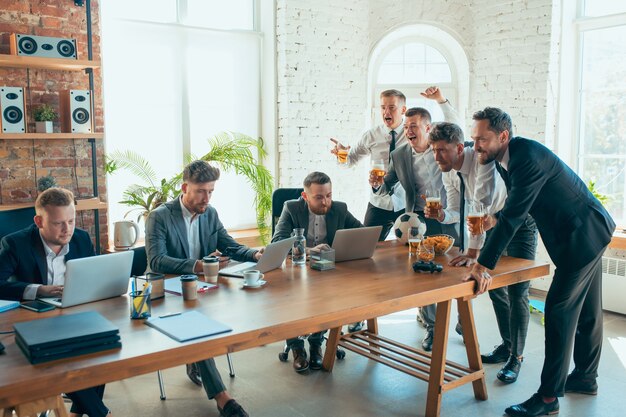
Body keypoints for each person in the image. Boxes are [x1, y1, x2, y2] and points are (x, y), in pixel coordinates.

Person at [463, 107, 615, 417]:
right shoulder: (510, 157)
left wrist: (483, 265)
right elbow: (522, 204)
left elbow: (515, 218)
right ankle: (585, 378)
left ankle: (548, 399)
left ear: (503, 136)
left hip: (582, 236)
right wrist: (495, 218)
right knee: (586, 312)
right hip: (586, 232)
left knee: (559, 311)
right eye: (473, 138)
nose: (476, 145)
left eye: (482, 139)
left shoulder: (525, 158)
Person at [425, 122, 538, 384]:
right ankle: (507, 346)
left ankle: (516, 358)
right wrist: (442, 214)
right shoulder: (448, 171)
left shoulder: (481, 161)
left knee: (518, 290)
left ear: (458, 147)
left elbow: (480, 206)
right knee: (494, 288)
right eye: (433, 150)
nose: (436, 156)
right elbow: (458, 211)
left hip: (518, 223)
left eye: (442, 150)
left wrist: (474, 252)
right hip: (491, 225)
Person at [145, 160, 260, 417]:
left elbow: (228, 244)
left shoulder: (211, 213)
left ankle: (194, 357)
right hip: (164, 292)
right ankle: (223, 398)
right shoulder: (160, 216)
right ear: (185, 187)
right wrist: (197, 265)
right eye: (201, 191)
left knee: (235, 305)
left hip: (200, 290)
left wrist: (255, 254)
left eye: (211, 191)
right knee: (197, 328)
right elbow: (156, 260)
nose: (206, 198)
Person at [0, 187, 112, 417]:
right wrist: (39, 290)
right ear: (39, 221)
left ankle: (79, 412)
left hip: (75, 316)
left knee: (103, 346)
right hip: (34, 322)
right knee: (62, 356)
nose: (67, 229)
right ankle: (101, 414)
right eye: (59, 223)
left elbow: (91, 276)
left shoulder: (80, 239)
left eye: (71, 221)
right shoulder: (15, 244)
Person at [370, 89, 461, 351]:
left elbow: (456, 125)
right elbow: (386, 184)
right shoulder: (399, 155)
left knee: (457, 270)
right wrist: (377, 186)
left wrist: (442, 99)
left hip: (450, 216)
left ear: (428, 128)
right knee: (424, 273)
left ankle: (463, 323)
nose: (409, 130)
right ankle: (432, 327)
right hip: (419, 220)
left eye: (414, 126)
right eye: (406, 126)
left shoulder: (441, 147)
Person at [272, 171, 363, 373]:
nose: (325, 202)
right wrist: (307, 250)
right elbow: (277, 242)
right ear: (305, 196)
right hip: (298, 270)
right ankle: (297, 348)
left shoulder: (339, 209)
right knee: (290, 298)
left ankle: (316, 343)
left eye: (329, 195)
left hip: (326, 271)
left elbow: (361, 232)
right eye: (319, 197)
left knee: (328, 294)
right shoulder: (292, 208)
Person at [330, 88, 407, 241]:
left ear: (403, 109)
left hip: (405, 203)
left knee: (411, 247)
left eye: (392, 107)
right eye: (383, 107)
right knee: (366, 244)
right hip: (378, 203)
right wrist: (342, 155)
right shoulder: (372, 135)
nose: (386, 112)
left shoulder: (411, 133)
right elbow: (350, 161)